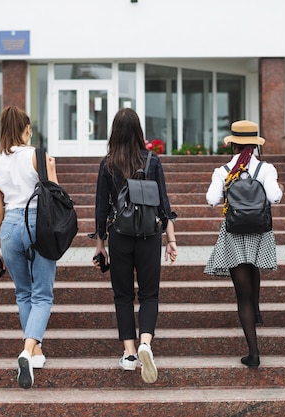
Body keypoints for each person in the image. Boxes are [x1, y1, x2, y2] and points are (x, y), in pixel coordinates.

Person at [92, 107, 177, 384]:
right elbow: (164, 206)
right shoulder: (152, 161)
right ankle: (146, 343)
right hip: (149, 235)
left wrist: (100, 245)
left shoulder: (107, 164)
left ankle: (129, 354)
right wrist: (171, 239)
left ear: (114, 132)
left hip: (120, 235)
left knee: (123, 295)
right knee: (150, 294)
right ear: (139, 131)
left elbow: (101, 209)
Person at [0, 106, 58, 389]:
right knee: (42, 295)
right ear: (26, 129)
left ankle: (36, 353)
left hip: (9, 228)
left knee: (23, 293)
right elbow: (56, 199)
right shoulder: (39, 156)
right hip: (38, 225)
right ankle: (28, 350)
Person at [204, 120, 284, 369]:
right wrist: (278, 186)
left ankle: (254, 353)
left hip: (234, 233)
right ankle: (257, 311)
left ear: (233, 144)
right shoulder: (266, 168)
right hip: (260, 232)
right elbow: (275, 197)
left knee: (242, 297)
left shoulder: (224, 170)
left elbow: (211, 200)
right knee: (254, 269)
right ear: (255, 144)